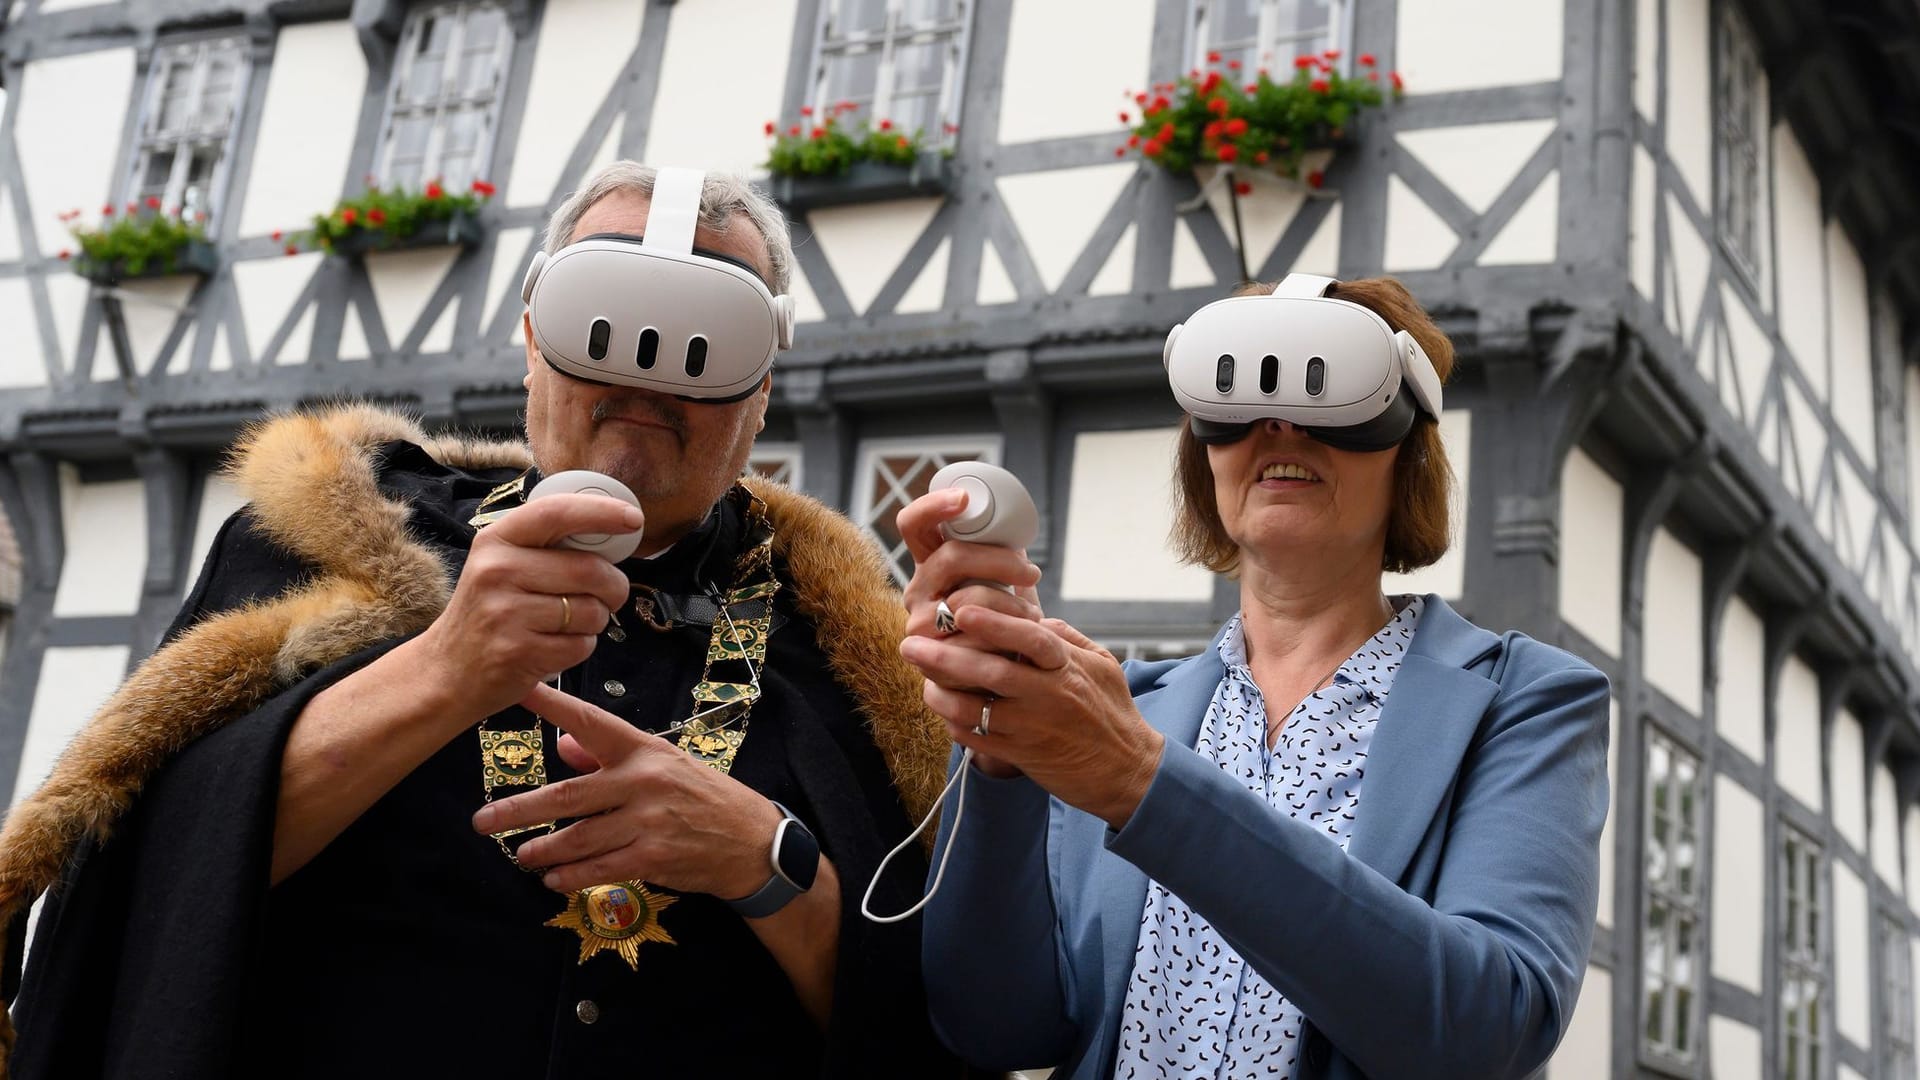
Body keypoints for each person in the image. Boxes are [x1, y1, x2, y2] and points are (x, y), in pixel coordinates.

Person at [0, 163, 961, 1078]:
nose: (651, 373)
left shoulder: (848, 657)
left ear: (761, 388)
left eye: (710, 336)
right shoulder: (332, 547)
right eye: (604, 318)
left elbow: (923, 1025)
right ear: (535, 336)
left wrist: (769, 863)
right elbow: (145, 895)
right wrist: (443, 670)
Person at [896, 276, 1611, 1079]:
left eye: (1327, 388)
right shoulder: (1115, 707)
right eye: (1234, 395)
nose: (1280, 424)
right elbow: (997, 1029)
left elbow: (1490, 1029)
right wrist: (1000, 763)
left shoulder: (1525, 703)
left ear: (1408, 442)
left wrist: (1140, 782)